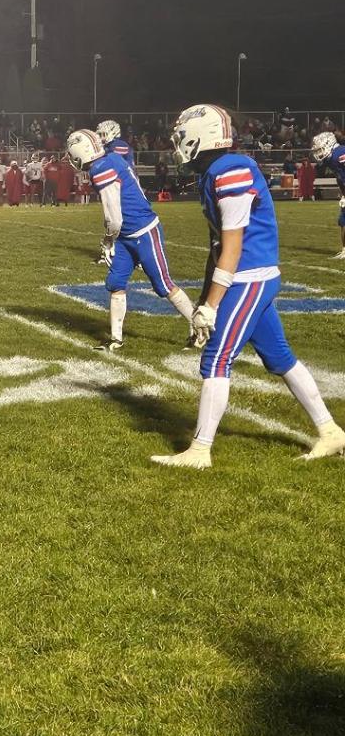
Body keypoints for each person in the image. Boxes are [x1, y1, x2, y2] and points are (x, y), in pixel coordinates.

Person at [152, 104, 345, 468]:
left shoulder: (230, 169)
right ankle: (331, 432)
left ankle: (199, 450)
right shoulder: (215, 171)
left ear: (201, 137)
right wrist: (204, 298)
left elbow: (234, 243)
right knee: (280, 358)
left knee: (216, 360)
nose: (177, 144)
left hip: (248, 277)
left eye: (182, 137)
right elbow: (218, 246)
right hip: (249, 275)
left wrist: (213, 303)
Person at [66, 129, 195, 351]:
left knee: (163, 284)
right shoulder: (112, 157)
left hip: (143, 230)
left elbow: (114, 218)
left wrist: (107, 241)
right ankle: (116, 339)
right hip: (126, 235)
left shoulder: (101, 168)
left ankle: (198, 326)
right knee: (116, 283)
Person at [310, 132, 345, 258]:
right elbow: (341, 178)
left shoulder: (340, 154)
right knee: (343, 221)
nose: (318, 153)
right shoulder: (331, 159)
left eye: (320, 149)